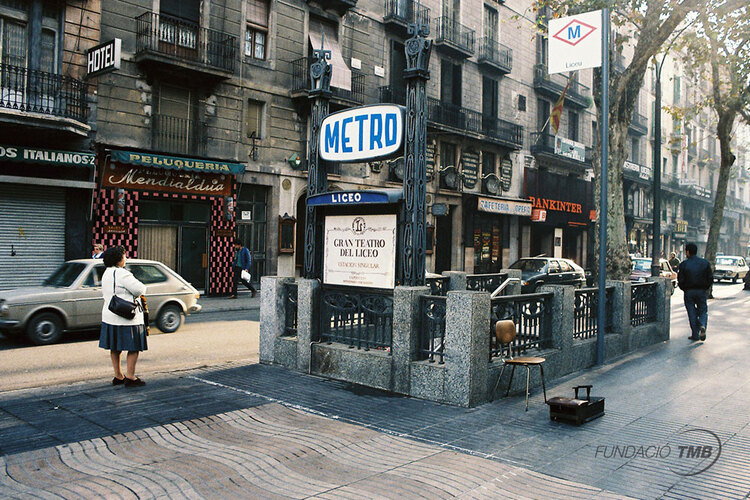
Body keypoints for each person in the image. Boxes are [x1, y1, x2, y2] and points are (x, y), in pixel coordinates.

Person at [99, 245, 148, 386]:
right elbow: (139, 289)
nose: (125, 258)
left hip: (110, 316)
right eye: (124, 256)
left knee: (115, 347)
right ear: (118, 259)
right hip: (127, 318)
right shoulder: (122, 274)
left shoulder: (106, 273)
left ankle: (118, 376)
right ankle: (131, 377)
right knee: (133, 347)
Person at [677, 242, 712, 341]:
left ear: (687, 252)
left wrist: (684, 288)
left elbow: (680, 280)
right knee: (703, 311)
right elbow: (710, 278)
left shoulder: (684, 264)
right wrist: (705, 288)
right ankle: (702, 324)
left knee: (691, 312)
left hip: (688, 292)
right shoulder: (704, 263)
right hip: (701, 291)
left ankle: (695, 334)